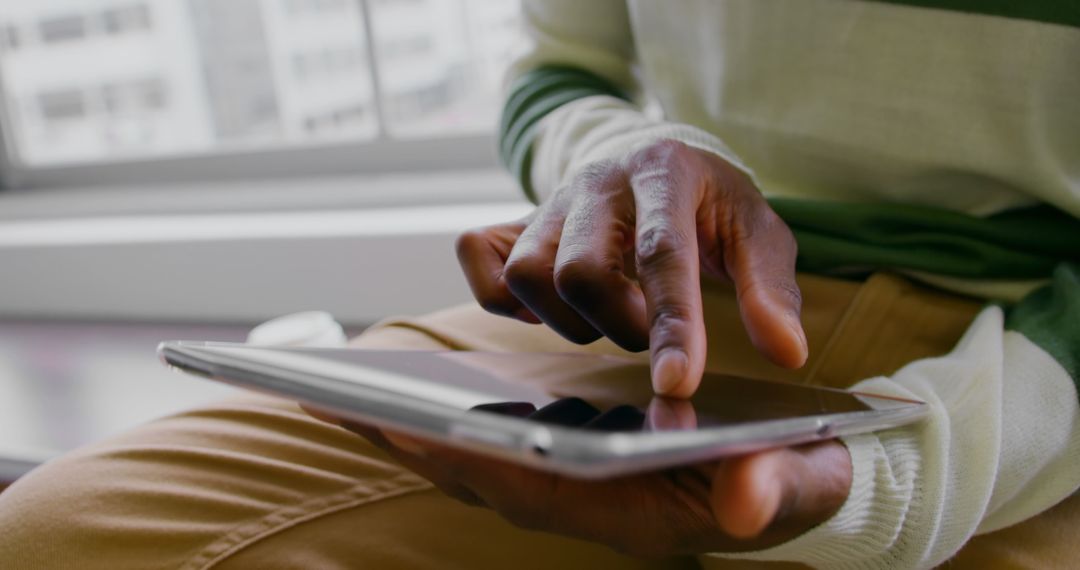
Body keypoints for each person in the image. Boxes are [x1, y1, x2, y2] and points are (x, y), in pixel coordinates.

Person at [1, 1, 1078, 568]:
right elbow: (556, 69)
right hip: (658, 318)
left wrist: (916, 477)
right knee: (52, 540)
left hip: (1036, 371)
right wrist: (631, 158)